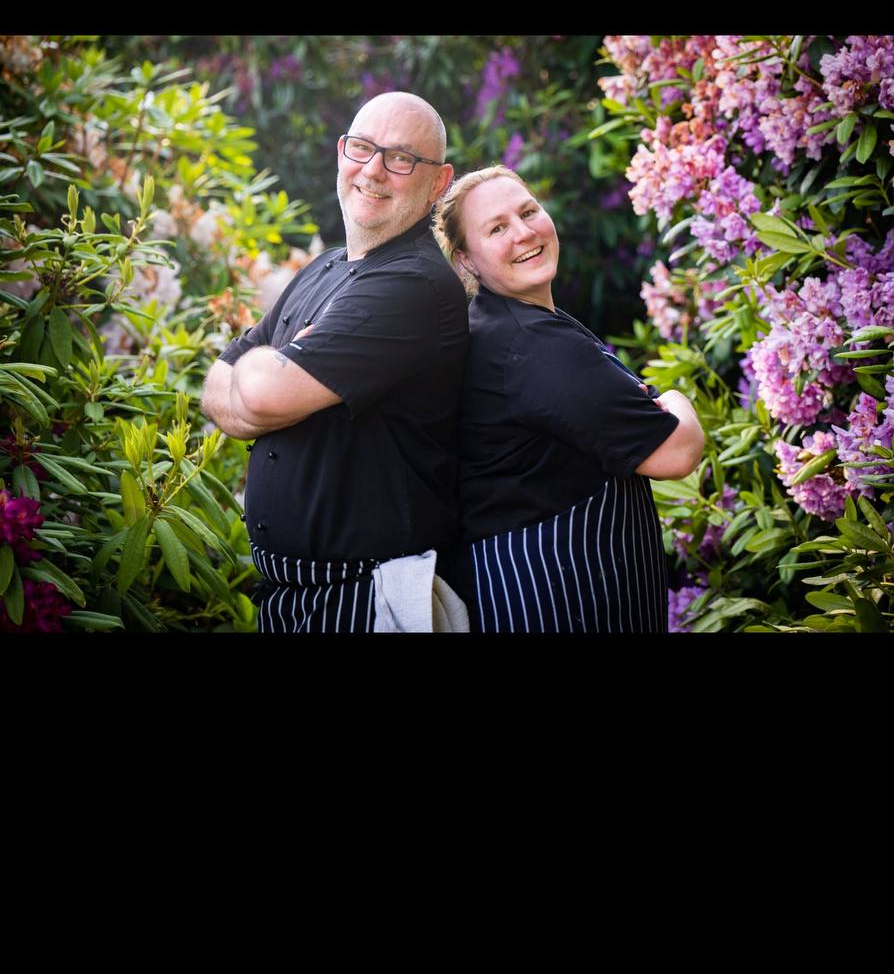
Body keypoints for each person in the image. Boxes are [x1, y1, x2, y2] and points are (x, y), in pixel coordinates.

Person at [200, 92, 470, 633]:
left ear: (438, 182)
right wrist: (273, 370)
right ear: (342, 151)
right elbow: (215, 391)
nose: (373, 170)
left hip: (363, 597)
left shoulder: (412, 285)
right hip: (290, 594)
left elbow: (258, 397)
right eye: (362, 148)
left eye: (401, 158)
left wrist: (264, 373)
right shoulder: (323, 268)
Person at [433, 166, 705, 634]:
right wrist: (675, 398)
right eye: (497, 228)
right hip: (556, 598)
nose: (523, 233)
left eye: (528, 212)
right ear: (466, 261)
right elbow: (676, 452)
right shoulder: (531, 346)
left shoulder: (499, 327)